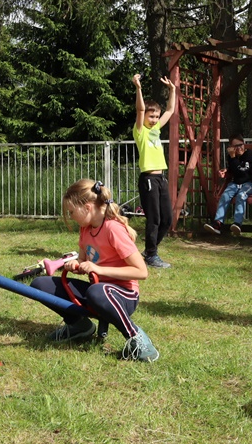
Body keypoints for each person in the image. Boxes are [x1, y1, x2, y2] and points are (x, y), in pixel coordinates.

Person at [31, 179, 158, 361]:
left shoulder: (113, 229)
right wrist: (76, 265)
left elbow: (141, 272)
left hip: (123, 296)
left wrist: (98, 269)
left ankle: (136, 337)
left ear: (88, 208)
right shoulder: (85, 230)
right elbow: (84, 260)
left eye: (72, 211)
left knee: (97, 291)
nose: (71, 216)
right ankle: (79, 326)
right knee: (40, 285)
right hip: (97, 290)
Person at [132, 74, 176, 269]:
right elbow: (140, 108)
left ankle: (149, 251)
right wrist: (138, 88)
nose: (154, 119)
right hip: (148, 178)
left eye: (156, 116)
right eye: (151, 116)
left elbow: (171, 109)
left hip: (161, 178)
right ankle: (151, 255)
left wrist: (173, 90)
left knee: (167, 219)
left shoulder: (156, 128)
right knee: (155, 218)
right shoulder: (140, 130)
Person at [203, 135, 252, 236]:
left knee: (241, 195)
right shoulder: (231, 157)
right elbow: (233, 170)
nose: (239, 148)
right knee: (225, 195)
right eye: (235, 146)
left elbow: (242, 172)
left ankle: (237, 223)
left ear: (244, 145)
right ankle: (218, 224)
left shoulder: (248, 154)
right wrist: (226, 171)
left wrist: (233, 158)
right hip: (235, 183)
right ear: (231, 148)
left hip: (249, 183)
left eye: (240, 145)